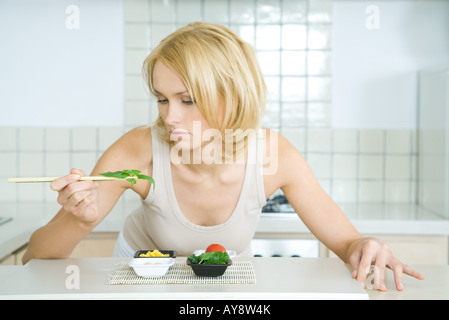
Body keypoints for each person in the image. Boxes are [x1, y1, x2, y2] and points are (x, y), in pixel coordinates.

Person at [22, 22, 424, 291]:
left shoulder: (273, 153)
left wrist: (365, 246)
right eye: (162, 99)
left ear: (233, 98)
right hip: (141, 276)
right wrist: (78, 218)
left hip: (227, 280)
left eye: (188, 100)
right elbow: (35, 258)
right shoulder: (139, 149)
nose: (169, 118)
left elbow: (349, 243)